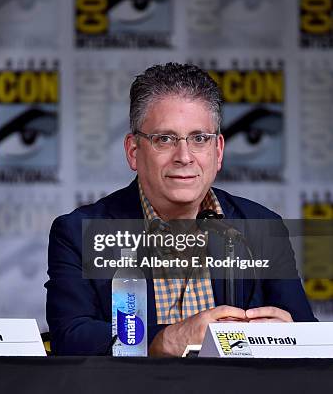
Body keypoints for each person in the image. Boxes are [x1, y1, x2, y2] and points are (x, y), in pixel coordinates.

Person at [45, 63, 316, 356]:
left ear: (219, 151)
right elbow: (70, 338)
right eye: (165, 139)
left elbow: (310, 339)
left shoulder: (262, 227)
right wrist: (166, 339)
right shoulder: (78, 232)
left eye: (199, 138)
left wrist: (291, 339)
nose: (184, 156)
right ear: (134, 151)